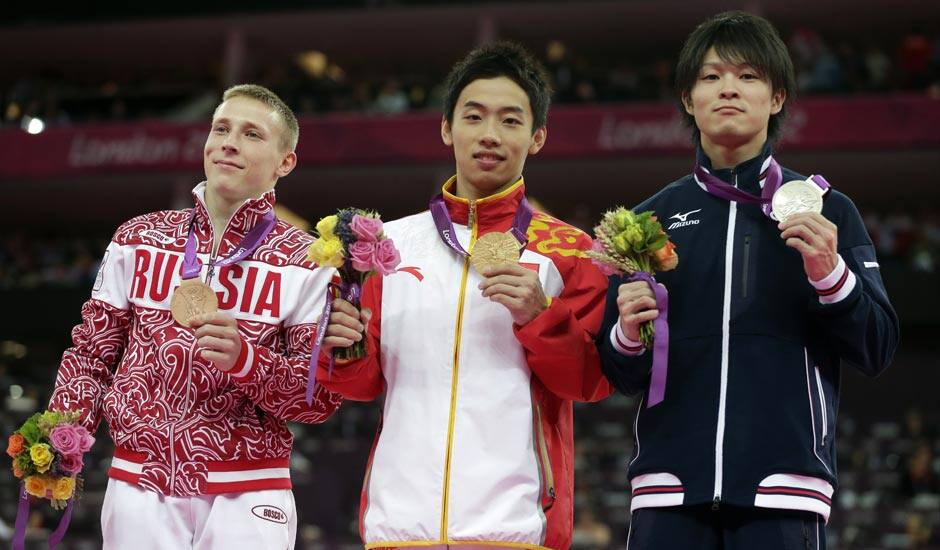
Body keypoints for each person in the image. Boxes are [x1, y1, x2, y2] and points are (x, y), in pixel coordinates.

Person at [596, 11, 900, 549]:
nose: (728, 89)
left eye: (748, 76)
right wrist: (625, 331)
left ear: (777, 97)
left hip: (783, 488)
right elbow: (621, 373)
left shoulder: (829, 212)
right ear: (688, 100)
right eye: (710, 77)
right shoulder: (646, 223)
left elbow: (877, 346)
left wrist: (831, 277)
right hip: (669, 489)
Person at [317, 41, 610, 549]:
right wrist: (340, 346)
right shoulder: (387, 246)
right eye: (474, 117)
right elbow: (362, 385)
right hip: (399, 527)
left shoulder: (570, 250)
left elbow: (590, 382)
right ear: (447, 127)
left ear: (537, 137)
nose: (490, 135)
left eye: (511, 121)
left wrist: (540, 314)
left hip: (516, 528)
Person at [49, 84, 342, 550]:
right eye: (220, 128)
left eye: (251, 134)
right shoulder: (138, 237)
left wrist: (247, 361)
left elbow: (318, 401)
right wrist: (59, 435)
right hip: (137, 483)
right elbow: (91, 354)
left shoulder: (308, 262)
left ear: (284, 162)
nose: (228, 142)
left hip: (248, 491)